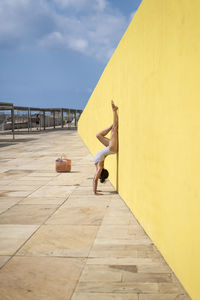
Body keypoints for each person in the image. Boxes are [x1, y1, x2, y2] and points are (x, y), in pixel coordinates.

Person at [93, 100, 118, 195]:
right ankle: (114, 111)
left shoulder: (98, 168)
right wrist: (95, 192)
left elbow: (94, 179)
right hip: (111, 148)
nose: (97, 175)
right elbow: (95, 180)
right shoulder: (100, 167)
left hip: (109, 148)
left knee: (98, 135)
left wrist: (96, 190)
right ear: (100, 174)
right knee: (115, 129)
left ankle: (110, 126)